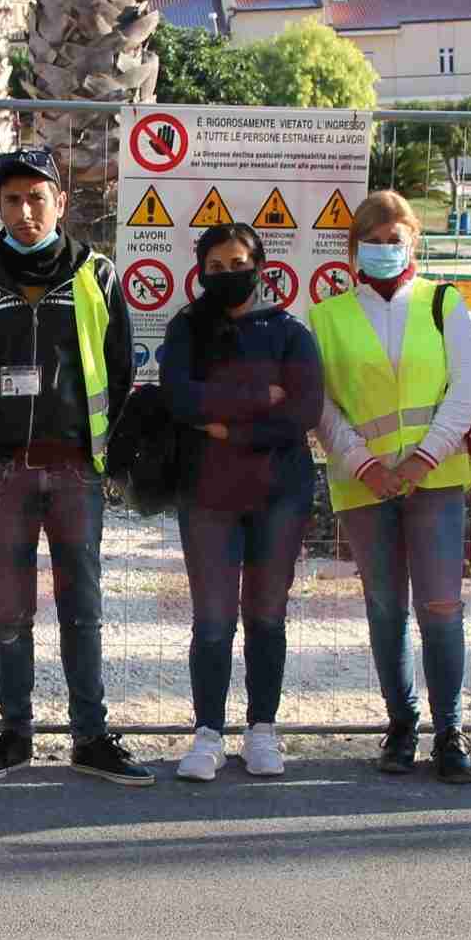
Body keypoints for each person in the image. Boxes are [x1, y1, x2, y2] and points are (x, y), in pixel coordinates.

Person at [0, 145, 140, 785]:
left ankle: (91, 735)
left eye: (37, 198)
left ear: (60, 202)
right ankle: (15, 734)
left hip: (77, 471)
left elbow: (119, 371)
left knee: (82, 606)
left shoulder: (97, 275)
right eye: (12, 200)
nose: (25, 211)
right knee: (10, 611)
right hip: (2, 472)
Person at [309, 191, 471, 782]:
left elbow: (467, 389)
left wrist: (421, 461)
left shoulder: (443, 302)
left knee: (440, 606)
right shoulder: (328, 315)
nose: (385, 250)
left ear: (415, 240)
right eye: (373, 241)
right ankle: (401, 723)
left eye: (395, 239)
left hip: (434, 480)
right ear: (353, 247)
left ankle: (451, 728)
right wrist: (367, 466)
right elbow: (323, 405)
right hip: (365, 486)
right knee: (386, 608)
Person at [161, 222, 325, 782]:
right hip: (207, 495)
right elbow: (179, 399)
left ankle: (262, 730)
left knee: (266, 616)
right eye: (216, 267)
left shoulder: (289, 333)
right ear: (200, 270)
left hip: (279, 494)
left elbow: (302, 413)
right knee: (211, 621)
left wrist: (228, 427)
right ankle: (207, 733)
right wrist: (259, 395)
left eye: (238, 264)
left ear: (259, 266)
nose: (228, 276)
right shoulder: (186, 329)